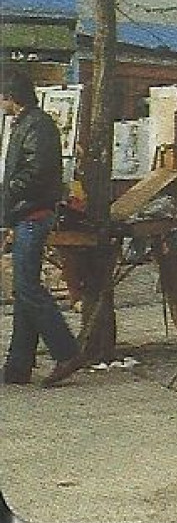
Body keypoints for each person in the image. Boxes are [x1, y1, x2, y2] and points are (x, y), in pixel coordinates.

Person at [0, 69, 83, 388]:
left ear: (13, 97)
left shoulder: (37, 125)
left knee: (27, 289)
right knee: (24, 290)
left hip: (33, 214)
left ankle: (66, 350)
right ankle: (18, 366)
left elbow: (35, 173)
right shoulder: (26, 124)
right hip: (25, 215)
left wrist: (9, 193)